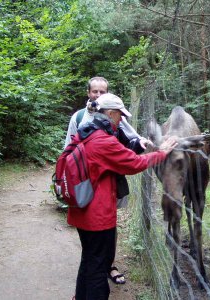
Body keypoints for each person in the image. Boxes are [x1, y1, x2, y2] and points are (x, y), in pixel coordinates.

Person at [68, 93, 177, 300]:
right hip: (97, 216)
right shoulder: (103, 141)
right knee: (100, 266)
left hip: (82, 211)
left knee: (90, 259)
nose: (121, 120)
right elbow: (134, 163)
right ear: (110, 113)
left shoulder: (86, 132)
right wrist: (161, 153)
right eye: (120, 116)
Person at [65, 77, 149, 284]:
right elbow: (69, 149)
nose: (99, 95)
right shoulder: (80, 118)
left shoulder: (113, 116)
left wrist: (139, 144)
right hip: (90, 188)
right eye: (95, 91)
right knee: (97, 240)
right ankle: (99, 268)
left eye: (103, 91)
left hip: (110, 182)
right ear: (88, 93)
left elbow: (131, 138)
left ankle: (107, 265)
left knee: (105, 233)